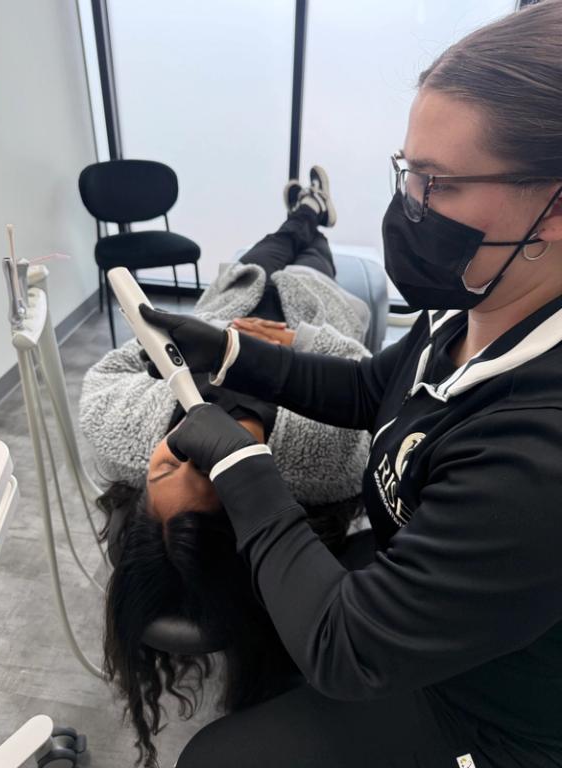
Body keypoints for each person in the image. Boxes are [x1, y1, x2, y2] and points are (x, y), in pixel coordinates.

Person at [138, 3, 562, 767]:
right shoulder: (477, 300)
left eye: (440, 184)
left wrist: (241, 468)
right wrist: (233, 354)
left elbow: (348, 649)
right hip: (432, 618)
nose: (410, 209)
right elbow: (375, 387)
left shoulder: (542, 445)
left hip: (491, 718)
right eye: (408, 173)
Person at [79, 168, 375, 768]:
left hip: (230, 297)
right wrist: (287, 343)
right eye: (213, 472)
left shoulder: (130, 435)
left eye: (168, 469)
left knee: (265, 251)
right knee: (307, 261)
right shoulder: (327, 457)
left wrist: (207, 341)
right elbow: (370, 379)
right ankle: (311, 216)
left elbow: (109, 371)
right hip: (305, 304)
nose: (189, 447)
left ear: (141, 488)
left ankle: (299, 212)